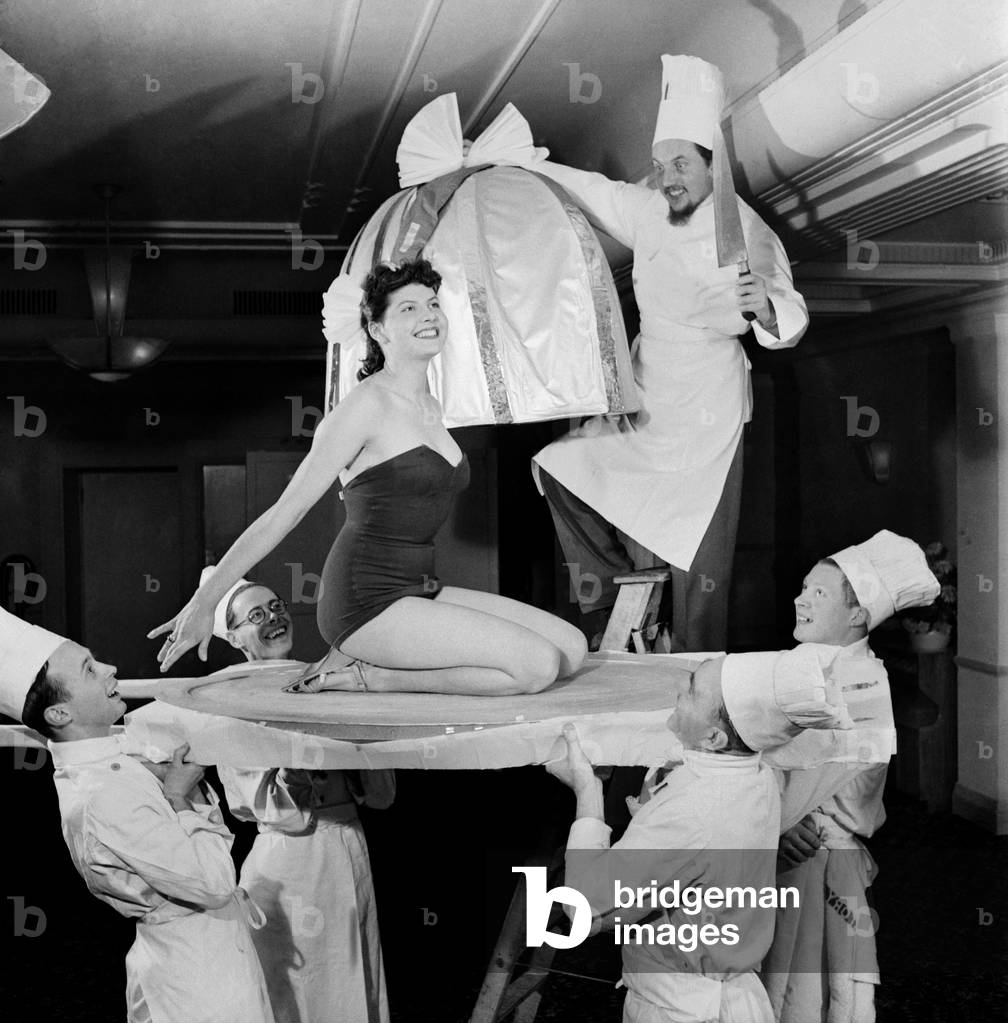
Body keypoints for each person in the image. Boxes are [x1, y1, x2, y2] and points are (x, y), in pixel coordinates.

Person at [150, 258, 586, 695]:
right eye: (408, 309)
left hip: (418, 586)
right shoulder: (364, 407)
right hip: (364, 601)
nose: (429, 315)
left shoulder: (432, 407)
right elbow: (284, 513)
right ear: (378, 330)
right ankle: (367, 676)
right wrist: (204, 602)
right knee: (539, 667)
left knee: (572, 649)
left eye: (433, 304)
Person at [531, 54, 809, 651]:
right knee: (560, 469)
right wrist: (515, 162)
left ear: (713, 164)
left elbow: (786, 307)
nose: (668, 179)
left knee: (700, 581)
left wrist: (764, 306)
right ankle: (614, 595)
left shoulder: (748, 230)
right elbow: (591, 190)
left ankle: (692, 698)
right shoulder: (650, 209)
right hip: (647, 392)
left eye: (680, 164)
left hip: (708, 414)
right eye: (660, 166)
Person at [546, 646, 853, 1023]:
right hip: (733, 997)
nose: (679, 687)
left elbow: (582, 906)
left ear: (713, 738)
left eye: (692, 689)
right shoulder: (758, 776)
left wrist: (587, 792)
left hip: (682, 1010)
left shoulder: (693, 813)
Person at [0, 607, 275, 1023]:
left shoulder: (111, 759)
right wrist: (180, 797)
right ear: (59, 714)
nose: (111, 668)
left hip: (202, 953)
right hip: (196, 978)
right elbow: (215, 883)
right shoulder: (101, 795)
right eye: (90, 669)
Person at [762, 530, 940, 1023]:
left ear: (858, 615)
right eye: (803, 588)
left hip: (816, 861)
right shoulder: (801, 664)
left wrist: (776, 819)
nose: (800, 600)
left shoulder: (862, 685)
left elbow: (803, 772)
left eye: (818, 593)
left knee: (807, 993)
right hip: (784, 855)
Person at [204, 570, 391, 1023]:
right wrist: (307, 742)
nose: (273, 619)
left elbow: (381, 794)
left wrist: (360, 734)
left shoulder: (320, 680)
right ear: (234, 636)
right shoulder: (233, 699)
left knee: (353, 983)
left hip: (348, 847)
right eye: (255, 616)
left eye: (276, 608)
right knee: (303, 992)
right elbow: (278, 811)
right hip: (292, 864)